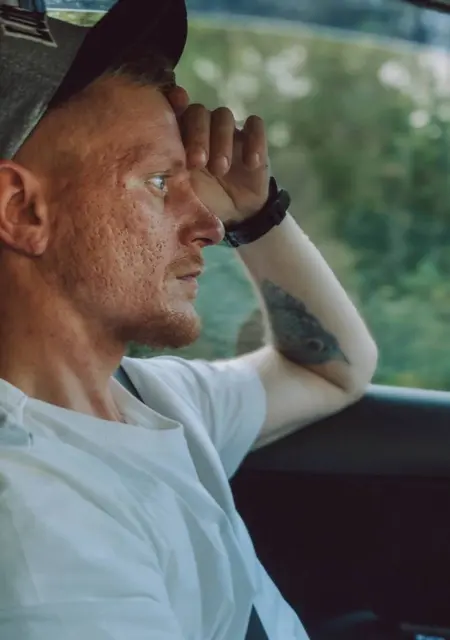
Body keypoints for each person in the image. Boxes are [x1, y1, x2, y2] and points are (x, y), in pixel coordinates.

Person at [0, 0, 378, 638]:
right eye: (157, 182)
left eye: (191, 181)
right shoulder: (36, 523)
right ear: (20, 209)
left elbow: (333, 370)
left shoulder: (145, 397)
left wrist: (259, 214)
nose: (210, 225)